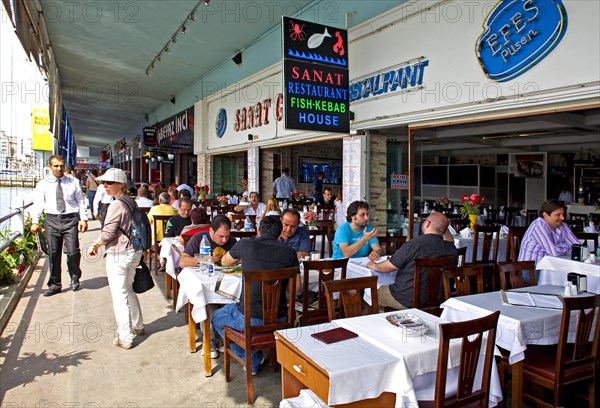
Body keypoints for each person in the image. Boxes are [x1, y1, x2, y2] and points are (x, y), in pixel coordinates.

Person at [215, 216, 298, 375]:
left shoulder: (245, 244)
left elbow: (225, 262)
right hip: (280, 318)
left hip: (250, 319)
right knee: (235, 309)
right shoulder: (289, 252)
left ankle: (252, 357)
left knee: (216, 318)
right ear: (280, 233)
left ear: (259, 230)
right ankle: (256, 355)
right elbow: (297, 287)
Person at [88, 168, 144, 349]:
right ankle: (138, 325)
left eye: (109, 182)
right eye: (104, 182)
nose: (105, 185)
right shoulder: (131, 201)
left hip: (119, 253)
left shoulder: (116, 205)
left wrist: (95, 245)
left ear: (121, 184)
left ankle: (125, 337)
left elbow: (108, 233)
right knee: (128, 289)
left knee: (119, 295)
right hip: (134, 251)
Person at [366, 212, 458, 310]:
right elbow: (450, 241)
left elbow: (389, 266)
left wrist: (374, 265)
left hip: (406, 300)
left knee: (370, 293)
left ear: (427, 224)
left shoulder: (414, 245)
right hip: (439, 301)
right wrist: (443, 226)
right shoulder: (451, 249)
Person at [30, 155, 88, 296]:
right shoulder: (42, 184)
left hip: (70, 220)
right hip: (51, 221)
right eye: (56, 166)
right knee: (53, 253)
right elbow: (38, 204)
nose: (59, 168)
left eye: (61, 165)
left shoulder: (73, 182)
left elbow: (80, 201)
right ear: (50, 167)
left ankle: (75, 277)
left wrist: (83, 218)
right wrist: (35, 221)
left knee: (73, 251)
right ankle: (55, 284)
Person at [519, 199, 581, 265]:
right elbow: (554, 252)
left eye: (563, 214)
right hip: (530, 268)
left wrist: (561, 247)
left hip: (551, 266)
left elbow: (578, 248)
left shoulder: (563, 226)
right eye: (558, 215)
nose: (562, 218)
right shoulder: (539, 226)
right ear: (545, 215)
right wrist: (568, 246)